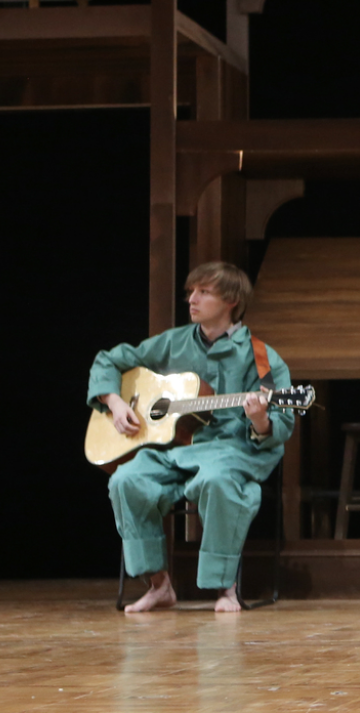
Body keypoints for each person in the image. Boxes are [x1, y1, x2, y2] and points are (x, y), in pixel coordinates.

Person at [90, 262, 295, 613]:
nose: (192, 299)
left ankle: (225, 588)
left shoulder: (262, 358)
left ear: (231, 300)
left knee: (218, 481)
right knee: (126, 480)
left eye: (204, 292)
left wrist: (260, 419)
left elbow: (280, 424)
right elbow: (108, 360)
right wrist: (114, 401)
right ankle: (159, 585)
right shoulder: (173, 342)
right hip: (173, 449)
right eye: (190, 292)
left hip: (232, 450)